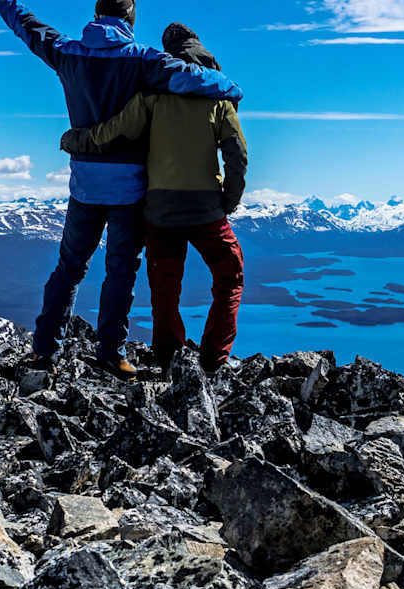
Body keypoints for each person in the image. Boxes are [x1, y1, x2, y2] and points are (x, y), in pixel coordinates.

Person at [0, 0, 244, 379]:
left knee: (69, 268)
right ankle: (111, 352)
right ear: (130, 19)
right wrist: (231, 89)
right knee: (121, 271)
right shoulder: (143, 59)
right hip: (130, 188)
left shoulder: (66, 52)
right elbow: (194, 79)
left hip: (86, 186)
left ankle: (45, 351)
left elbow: (25, 24)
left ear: (96, 15)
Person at [61, 23, 247, 375]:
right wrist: (229, 201)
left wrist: (75, 140)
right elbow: (237, 154)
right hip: (207, 209)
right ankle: (214, 360)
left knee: (165, 288)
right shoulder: (217, 98)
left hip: (160, 211)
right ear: (202, 51)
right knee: (230, 277)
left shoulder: (150, 95)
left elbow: (111, 133)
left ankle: (168, 357)